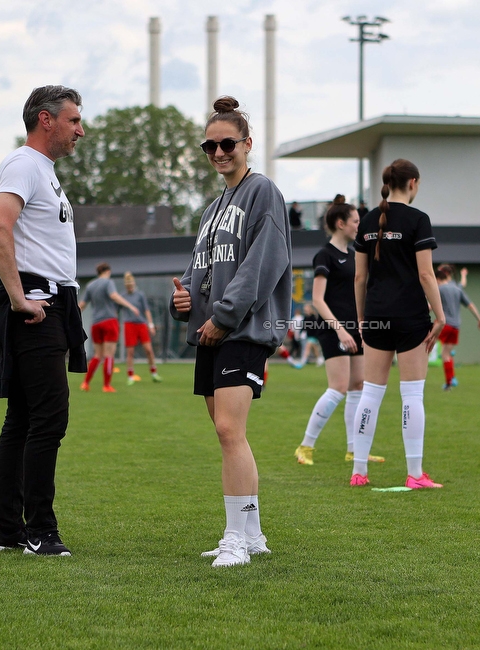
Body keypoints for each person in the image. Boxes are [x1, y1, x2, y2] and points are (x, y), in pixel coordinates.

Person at [170, 96, 292, 567]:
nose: (219, 152)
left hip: (240, 331)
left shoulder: (263, 192)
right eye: (210, 145)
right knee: (226, 434)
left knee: (228, 430)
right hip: (211, 333)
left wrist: (223, 317)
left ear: (247, 144)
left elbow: (263, 264)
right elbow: (197, 273)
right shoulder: (211, 209)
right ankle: (253, 534)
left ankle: (235, 540)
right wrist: (184, 302)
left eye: (227, 144)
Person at [0, 84, 88, 557]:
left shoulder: (40, 170)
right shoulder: (25, 163)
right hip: (36, 304)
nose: (80, 131)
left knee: (23, 418)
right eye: (74, 121)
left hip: (50, 302)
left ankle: (5, 530)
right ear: (46, 120)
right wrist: (19, 298)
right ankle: (39, 530)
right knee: (49, 417)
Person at [350, 158, 445, 489]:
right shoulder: (419, 220)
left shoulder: (367, 220)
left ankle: (358, 472)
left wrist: (362, 319)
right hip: (410, 317)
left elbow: (360, 277)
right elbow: (426, 274)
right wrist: (441, 314)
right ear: (414, 183)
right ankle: (415, 474)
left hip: (375, 315)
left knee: (371, 394)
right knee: (412, 395)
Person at [293, 202, 384, 466]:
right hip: (333, 329)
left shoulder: (356, 254)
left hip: (355, 329)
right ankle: (305, 447)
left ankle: (354, 450)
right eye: (355, 221)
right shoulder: (325, 255)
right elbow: (318, 300)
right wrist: (341, 331)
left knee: (358, 386)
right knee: (339, 387)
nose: (359, 225)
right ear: (340, 223)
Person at [78, 262, 141, 393]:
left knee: (97, 355)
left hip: (96, 323)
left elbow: (82, 305)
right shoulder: (108, 282)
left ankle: (85, 383)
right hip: (109, 321)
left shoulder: (90, 285)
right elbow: (113, 295)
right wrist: (130, 306)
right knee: (109, 355)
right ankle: (106, 385)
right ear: (108, 271)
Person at [435, 264, 480, 390]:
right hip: (456, 326)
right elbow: (471, 305)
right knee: (446, 353)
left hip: (445, 325)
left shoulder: (440, 288)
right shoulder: (457, 288)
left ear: (443, 274)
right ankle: (452, 378)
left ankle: (448, 383)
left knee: (427, 344)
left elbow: (432, 305)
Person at [119, 271, 161, 385]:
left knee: (148, 350)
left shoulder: (140, 295)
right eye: (128, 285)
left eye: (131, 284)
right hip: (129, 325)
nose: (130, 287)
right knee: (130, 352)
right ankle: (130, 376)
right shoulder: (122, 297)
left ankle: (154, 373)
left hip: (141, 324)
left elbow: (146, 310)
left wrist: (150, 324)